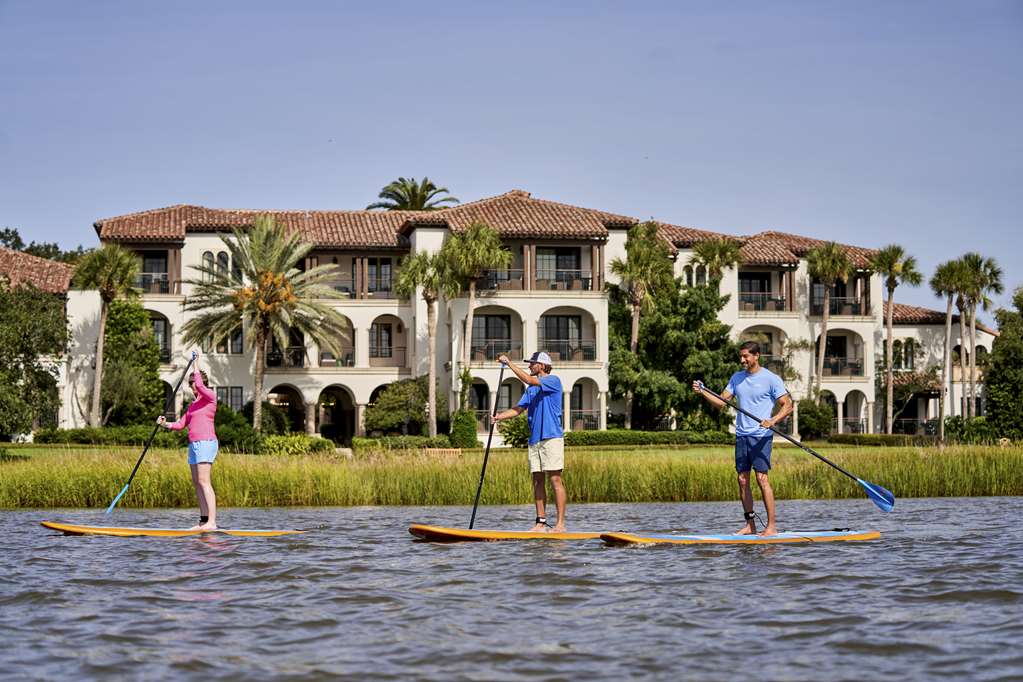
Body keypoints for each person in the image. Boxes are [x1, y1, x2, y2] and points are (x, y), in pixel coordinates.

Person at [693, 340, 793, 536]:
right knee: (742, 480)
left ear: (756, 356)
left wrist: (772, 420)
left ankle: (771, 526)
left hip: (761, 436)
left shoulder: (771, 379)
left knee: (762, 479)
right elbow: (721, 402)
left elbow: (788, 405)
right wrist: (703, 391)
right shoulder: (737, 378)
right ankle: (750, 525)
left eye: (746, 356)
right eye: (741, 356)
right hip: (742, 435)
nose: (742, 360)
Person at [492, 351, 567, 532]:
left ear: (542, 365)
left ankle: (560, 525)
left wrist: (509, 364)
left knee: (555, 479)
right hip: (535, 439)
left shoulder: (553, 380)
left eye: (532, 363)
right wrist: (499, 417)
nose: (529, 366)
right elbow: (518, 409)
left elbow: (528, 379)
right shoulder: (531, 390)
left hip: (551, 437)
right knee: (537, 481)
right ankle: (540, 523)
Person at [157, 351, 220, 531]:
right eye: (191, 386)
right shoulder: (193, 406)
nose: (193, 389)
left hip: (206, 443)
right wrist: (165, 424)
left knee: (204, 481)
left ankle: (212, 522)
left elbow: (199, 385)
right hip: (193, 445)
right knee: (197, 482)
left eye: (194, 385)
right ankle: (204, 520)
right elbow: (180, 424)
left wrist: (195, 363)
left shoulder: (210, 397)